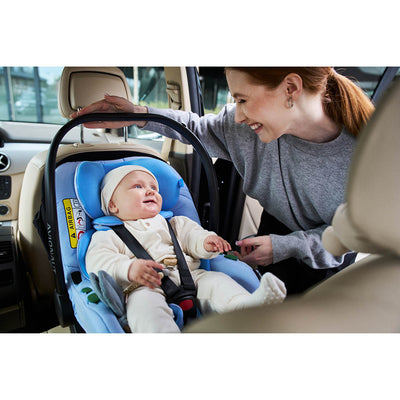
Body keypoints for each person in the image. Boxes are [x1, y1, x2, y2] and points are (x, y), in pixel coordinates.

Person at [74, 67, 375, 295]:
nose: (238, 116)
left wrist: (286, 247)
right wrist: (138, 115)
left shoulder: (369, 158)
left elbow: (350, 237)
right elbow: (196, 128)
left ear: (290, 88)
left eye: (242, 100)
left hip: (326, 260)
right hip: (276, 232)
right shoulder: (245, 129)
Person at [85, 165, 286, 332]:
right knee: (144, 308)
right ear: (113, 205)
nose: (150, 191)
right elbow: (98, 260)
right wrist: (128, 269)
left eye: (154, 187)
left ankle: (248, 308)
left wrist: (206, 242)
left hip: (191, 276)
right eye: (138, 186)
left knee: (218, 282)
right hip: (144, 285)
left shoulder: (174, 223)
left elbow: (193, 236)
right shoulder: (108, 235)